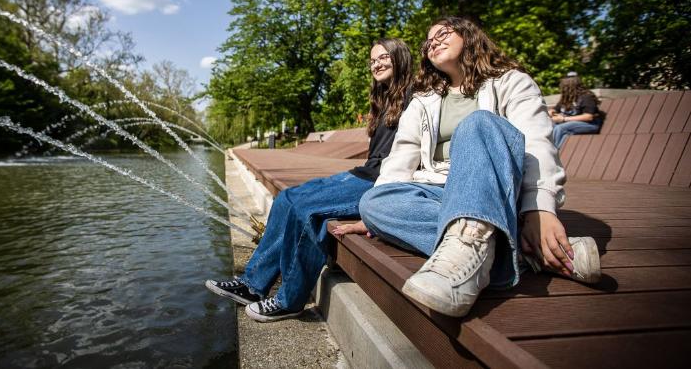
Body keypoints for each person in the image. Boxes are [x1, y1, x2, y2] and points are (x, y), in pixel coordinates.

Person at [334, 17, 601, 318]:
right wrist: (374, 218)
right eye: (428, 40)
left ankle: (467, 262)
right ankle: (517, 251)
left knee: (477, 124)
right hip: (438, 189)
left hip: (495, 187)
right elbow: (400, 160)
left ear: (470, 37)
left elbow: (537, 145)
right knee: (372, 201)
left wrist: (539, 210)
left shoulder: (511, 81)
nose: (432, 42)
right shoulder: (423, 101)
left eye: (442, 34)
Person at [205, 38, 415, 322]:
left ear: (400, 58)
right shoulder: (383, 98)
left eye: (383, 58)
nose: (375, 64)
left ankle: (289, 300)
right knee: (287, 198)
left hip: (381, 183)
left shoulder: (416, 96)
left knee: (308, 211)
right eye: (372, 60)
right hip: (363, 173)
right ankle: (252, 285)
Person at [549, 73, 602, 148]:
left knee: (560, 128)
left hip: (590, 124)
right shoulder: (567, 98)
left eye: (564, 87)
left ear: (570, 87)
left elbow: (588, 117)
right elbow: (556, 109)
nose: (562, 88)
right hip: (571, 123)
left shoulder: (586, 97)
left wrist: (564, 119)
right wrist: (551, 112)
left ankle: (553, 153)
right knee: (549, 125)